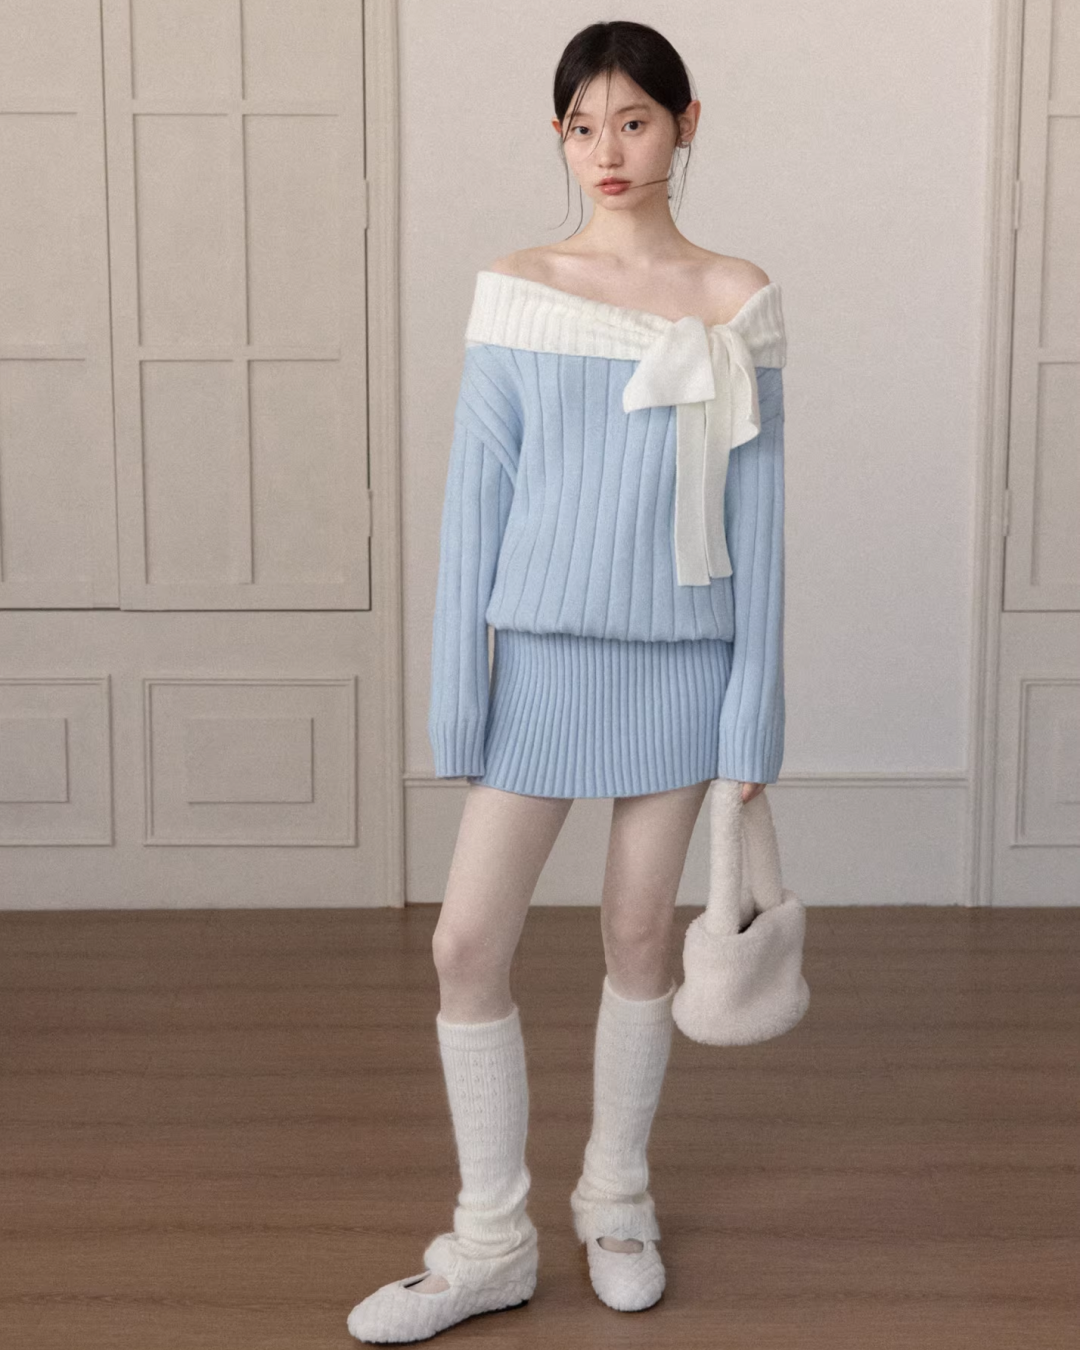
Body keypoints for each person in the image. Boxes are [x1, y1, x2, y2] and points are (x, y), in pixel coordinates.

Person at [348, 17, 786, 1345]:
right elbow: (473, 507)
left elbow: (762, 526)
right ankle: (490, 1238)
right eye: (584, 126)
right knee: (465, 943)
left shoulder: (737, 296)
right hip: (539, 664)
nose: (609, 150)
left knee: (640, 935)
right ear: (560, 134)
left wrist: (755, 714)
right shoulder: (517, 287)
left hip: (683, 668)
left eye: (635, 121)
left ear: (685, 124)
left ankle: (616, 1197)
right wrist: (456, 696)